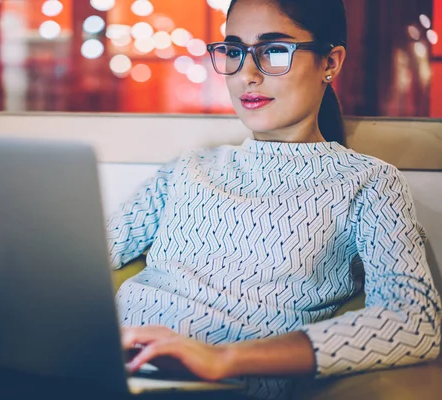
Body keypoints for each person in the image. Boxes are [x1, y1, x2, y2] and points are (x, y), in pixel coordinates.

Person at [106, 0, 441, 398]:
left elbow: (412, 320)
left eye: (274, 50)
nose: (247, 74)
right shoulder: (188, 168)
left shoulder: (368, 182)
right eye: (234, 50)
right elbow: (80, 261)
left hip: (214, 385)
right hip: (102, 364)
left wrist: (224, 358)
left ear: (330, 62)